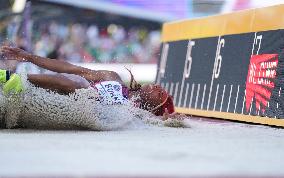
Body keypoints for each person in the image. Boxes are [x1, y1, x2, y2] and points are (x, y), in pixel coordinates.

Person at [0, 46, 175, 119]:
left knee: (80, 86)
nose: (158, 87)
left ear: (152, 107)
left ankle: (13, 82)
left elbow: (162, 121)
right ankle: (12, 79)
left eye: (159, 94)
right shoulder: (112, 77)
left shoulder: (137, 115)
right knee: (79, 81)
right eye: (160, 88)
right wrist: (29, 57)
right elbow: (68, 68)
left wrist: (168, 120)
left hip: (81, 109)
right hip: (67, 92)